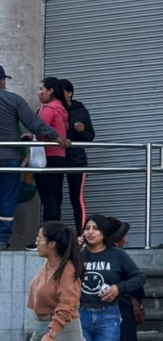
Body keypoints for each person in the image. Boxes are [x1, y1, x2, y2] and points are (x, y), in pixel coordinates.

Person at [0, 66, 67, 251]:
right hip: (9, 159)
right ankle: (1, 239)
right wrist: (56, 137)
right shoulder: (13, 100)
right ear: (2, 81)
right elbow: (34, 123)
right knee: (7, 199)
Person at [102, 217, 145, 341]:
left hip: (105, 312)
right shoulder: (118, 257)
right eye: (123, 236)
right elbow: (137, 281)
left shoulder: (96, 257)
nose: (126, 239)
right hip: (119, 312)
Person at [24, 78, 70, 245]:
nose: (38, 92)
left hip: (45, 158)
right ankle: (56, 239)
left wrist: (32, 136)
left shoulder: (48, 109)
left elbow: (41, 129)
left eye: (41, 89)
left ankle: (47, 240)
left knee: (48, 199)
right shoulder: (62, 110)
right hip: (59, 158)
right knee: (55, 199)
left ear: (51, 91)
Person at [59, 79, 94, 235]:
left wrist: (81, 129)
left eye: (61, 91)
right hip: (56, 159)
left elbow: (90, 136)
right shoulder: (53, 108)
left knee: (76, 198)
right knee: (55, 198)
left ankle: (82, 235)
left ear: (69, 93)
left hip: (76, 159)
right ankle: (56, 235)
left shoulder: (80, 109)